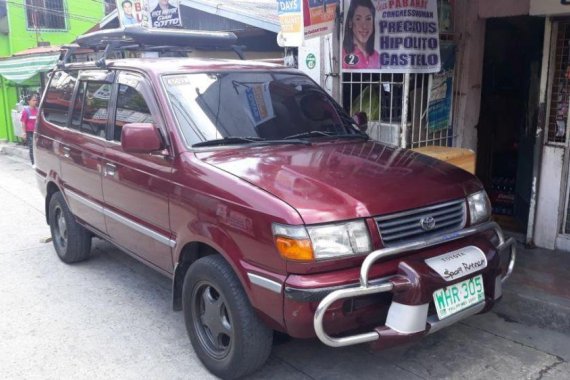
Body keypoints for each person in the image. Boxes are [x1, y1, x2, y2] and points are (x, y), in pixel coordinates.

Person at [342, 0, 380, 70]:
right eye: (358, 19)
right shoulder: (343, 54)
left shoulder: (376, 56)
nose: (364, 26)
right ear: (350, 22)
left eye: (368, 19)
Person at [20, 93, 39, 165]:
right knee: (32, 148)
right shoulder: (26, 111)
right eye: (33, 100)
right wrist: (24, 133)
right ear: (29, 101)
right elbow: (23, 122)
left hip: (37, 132)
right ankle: (33, 163)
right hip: (30, 133)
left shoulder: (38, 110)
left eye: (36, 100)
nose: (35, 102)